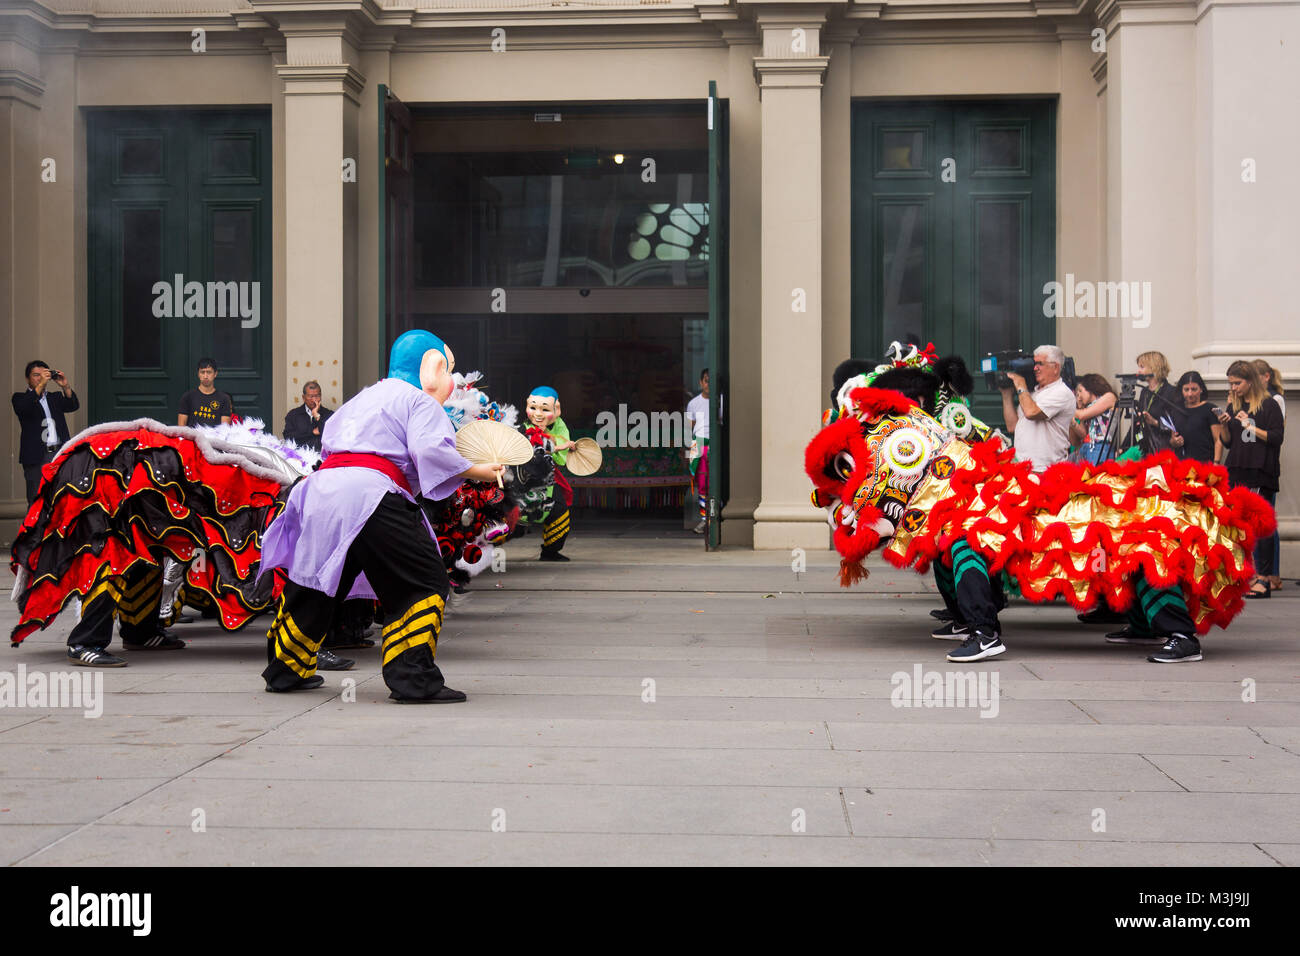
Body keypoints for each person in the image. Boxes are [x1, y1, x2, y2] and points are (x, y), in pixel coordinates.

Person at [258, 329, 503, 701]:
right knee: (422, 579)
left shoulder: (363, 397)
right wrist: (482, 470)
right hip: (370, 490)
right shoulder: (419, 401)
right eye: (449, 369)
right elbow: (431, 451)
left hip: (324, 489)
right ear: (435, 368)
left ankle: (285, 670)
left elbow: (331, 440)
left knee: (315, 581)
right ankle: (412, 679)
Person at [1217, 360, 1284, 599]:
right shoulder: (1234, 404)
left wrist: (1250, 426)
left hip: (1260, 470)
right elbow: (1228, 442)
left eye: (1237, 383)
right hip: (1237, 468)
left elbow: (1276, 438)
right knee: (1237, 527)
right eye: (1231, 383)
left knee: (1259, 526)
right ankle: (1247, 575)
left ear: (1251, 382)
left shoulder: (1268, 405)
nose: (1234, 388)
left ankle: (1264, 579)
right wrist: (1225, 425)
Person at [11, 360, 80, 504]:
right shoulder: (19, 398)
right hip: (36, 458)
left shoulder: (54, 398)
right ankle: (36, 528)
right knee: (37, 500)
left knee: (61, 498)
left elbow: (72, 405)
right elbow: (24, 408)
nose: (40, 378)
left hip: (59, 453)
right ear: (27, 378)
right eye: (36, 375)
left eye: (43, 375)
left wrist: (65, 385)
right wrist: (41, 384)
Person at [999, 344, 1075, 472]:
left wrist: (1021, 385)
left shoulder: (1062, 392)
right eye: (1034, 364)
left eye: (1040, 364)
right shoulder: (1032, 394)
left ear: (1055, 367)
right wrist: (1006, 395)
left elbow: (1031, 412)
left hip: (1046, 470)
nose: (1035, 368)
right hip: (1021, 466)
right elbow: (1012, 427)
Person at [522, 386, 574, 561]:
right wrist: (559, 446)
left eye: (545, 409)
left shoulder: (559, 427)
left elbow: (560, 460)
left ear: (556, 410)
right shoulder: (521, 427)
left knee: (559, 510)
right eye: (533, 408)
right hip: (522, 480)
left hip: (548, 479)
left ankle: (550, 551)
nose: (538, 414)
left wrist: (559, 446)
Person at [1253, 359, 1285, 591]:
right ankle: (1260, 571)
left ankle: (1272, 572)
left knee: (1268, 520)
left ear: (1266, 377)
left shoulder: (1275, 399)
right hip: (1253, 463)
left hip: (1266, 464)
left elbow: (1276, 432)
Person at [1169, 371, 1223, 464]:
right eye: (1186, 390)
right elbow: (1172, 438)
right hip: (1182, 463)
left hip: (1204, 463)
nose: (1190, 394)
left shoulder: (1210, 409)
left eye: (1194, 389)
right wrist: (1174, 441)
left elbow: (1218, 439)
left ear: (1201, 389)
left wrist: (1216, 462)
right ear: (1181, 390)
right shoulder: (1176, 410)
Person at [1134, 351, 1181, 456]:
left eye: (1142, 367)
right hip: (1145, 447)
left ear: (1153, 367)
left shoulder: (1171, 392)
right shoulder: (1144, 392)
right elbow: (1136, 424)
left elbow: (1178, 425)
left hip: (1163, 449)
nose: (1139, 371)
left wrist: (1155, 422)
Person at [1068, 373, 1117, 463]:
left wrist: (1065, 407)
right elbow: (1082, 434)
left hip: (1100, 447)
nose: (1078, 396)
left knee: (1094, 476)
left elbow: (1082, 415)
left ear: (1090, 388)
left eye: (1080, 391)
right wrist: (1073, 421)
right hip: (1086, 447)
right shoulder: (1086, 408)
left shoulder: (1109, 397)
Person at [685, 369, 710, 534]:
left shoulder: (719, 401)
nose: (709, 384)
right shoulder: (693, 403)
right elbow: (689, 430)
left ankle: (713, 519)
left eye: (712, 380)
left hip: (713, 444)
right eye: (707, 380)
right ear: (701, 382)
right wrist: (688, 452)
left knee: (713, 483)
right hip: (697, 444)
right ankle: (704, 519)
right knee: (701, 485)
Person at [177, 357, 232, 427]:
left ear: (215, 374)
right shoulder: (187, 397)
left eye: (209, 372)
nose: (205, 376)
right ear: (198, 374)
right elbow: (181, 427)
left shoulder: (224, 398)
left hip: (214, 437)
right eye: (202, 372)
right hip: (192, 437)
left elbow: (225, 428)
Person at [283, 380, 333, 452]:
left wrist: (317, 416)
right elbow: (288, 437)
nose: (314, 399)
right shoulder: (293, 415)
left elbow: (331, 435)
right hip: (299, 456)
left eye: (317, 396)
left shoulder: (329, 415)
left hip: (323, 457)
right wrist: (311, 432)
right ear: (303, 397)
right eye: (310, 396)